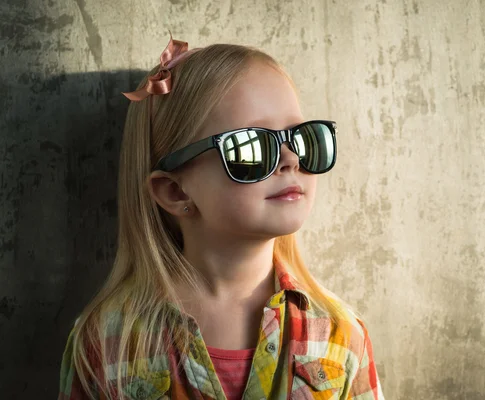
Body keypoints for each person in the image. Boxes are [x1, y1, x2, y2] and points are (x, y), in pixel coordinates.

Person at [58, 34, 384, 400]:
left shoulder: (341, 333)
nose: (291, 159)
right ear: (175, 191)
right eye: (252, 147)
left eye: (303, 138)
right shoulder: (108, 340)